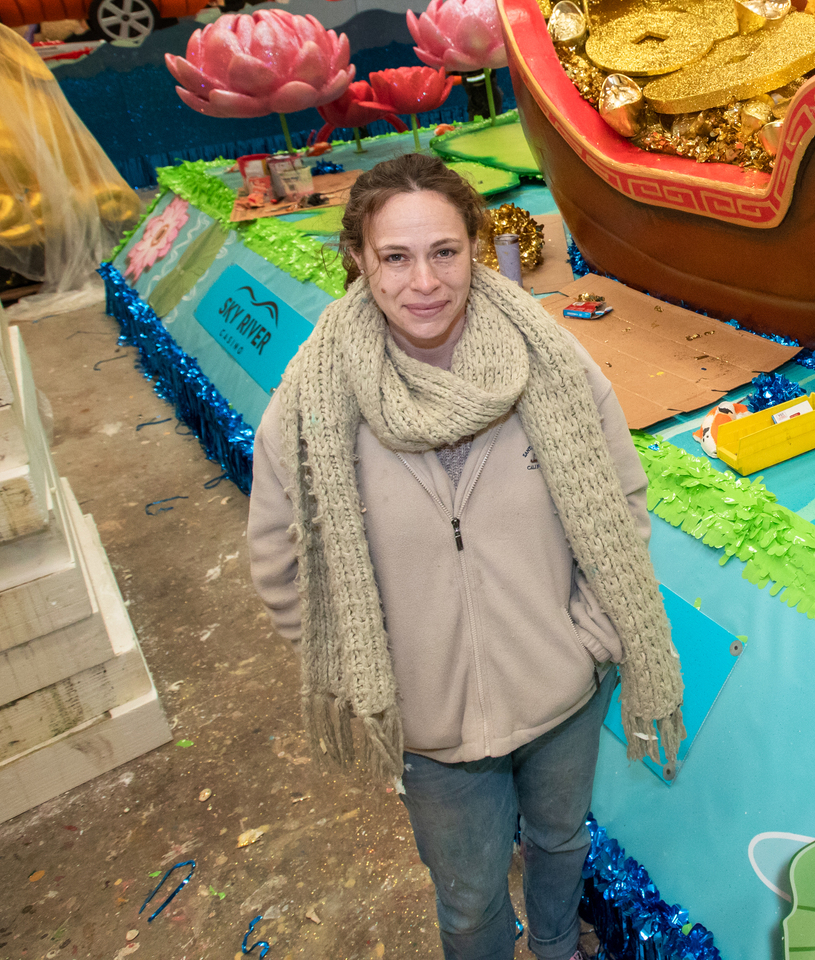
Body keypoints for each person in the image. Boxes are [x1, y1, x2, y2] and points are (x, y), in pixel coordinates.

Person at [247, 153, 684, 960]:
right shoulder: (314, 394)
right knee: (469, 898)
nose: (425, 281)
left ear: (476, 248)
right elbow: (279, 556)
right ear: (359, 259)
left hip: (562, 699)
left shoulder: (546, 361)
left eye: (444, 251)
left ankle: (558, 945)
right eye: (397, 256)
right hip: (434, 734)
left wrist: (585, 641)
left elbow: (619, 501)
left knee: (560, 845)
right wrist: (375, 674)